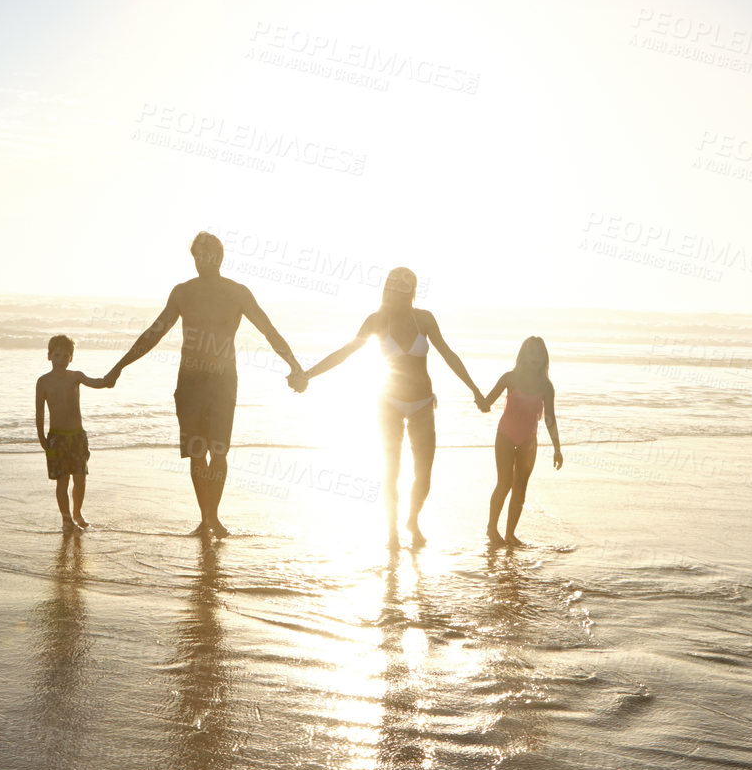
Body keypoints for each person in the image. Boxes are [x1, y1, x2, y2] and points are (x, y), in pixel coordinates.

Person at [105, 232, 307, 537]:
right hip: (190, 381)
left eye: (207, 255)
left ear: (219, 257)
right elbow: (154, 333)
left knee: (220, 452)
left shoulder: (238, 293)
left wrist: (294, 364)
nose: (202, 261)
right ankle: (206, 518)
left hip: (224, 380)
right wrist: (119, 366)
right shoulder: (182, 292)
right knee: (197, 451)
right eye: (197, 255)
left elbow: (268, 330)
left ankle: (213, 517)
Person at [299, 267, 484, 549]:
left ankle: (412, 519)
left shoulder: (424, 319)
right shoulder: (377, 321)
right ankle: (392, 534)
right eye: (393, 288)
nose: (397, 294)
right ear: (386, 290)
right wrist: (307, 375)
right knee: (391, 470)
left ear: (411, 292)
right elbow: (345, 353)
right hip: (389, 404)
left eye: (404, 289)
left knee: (424, 474)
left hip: (422, 404)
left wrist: (475, 389)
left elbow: (449, 354)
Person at [478, 336, 562, 547]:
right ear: (523, 355)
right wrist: (482, 402)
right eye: (531, 351)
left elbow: (550, 418)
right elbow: (487, 403)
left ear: (544, 358)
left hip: (529, 441)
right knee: (505, 482)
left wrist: (557, 448)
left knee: (520, 488)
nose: (535, 356)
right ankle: (492, 528)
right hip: (505, 436)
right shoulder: (509, 378)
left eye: (539, 352)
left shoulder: (546, 386)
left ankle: (510, 534)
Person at [36, 334, 112, 531]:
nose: (61, 359)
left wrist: (109, 379)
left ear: (71, 358)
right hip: (56, 438)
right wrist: (42, 437)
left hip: (77, 436)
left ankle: (77, 512)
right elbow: (39, 411)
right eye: (57, 355)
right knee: (62, 481)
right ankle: (66, 519)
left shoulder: (75, 376)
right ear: (49, 356)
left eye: (65, 356)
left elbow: (96, 382)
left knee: (80, 478)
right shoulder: (43, 382)